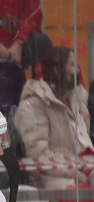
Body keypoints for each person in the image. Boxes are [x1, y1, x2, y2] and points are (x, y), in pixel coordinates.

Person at [14, 47, 93, 191]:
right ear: (57, 69)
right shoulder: (33, 105)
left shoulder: (76, 100)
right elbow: (39, 156)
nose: (77, 70)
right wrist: (75, 173)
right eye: (72, 64)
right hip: (55, 179)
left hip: (83, 170)